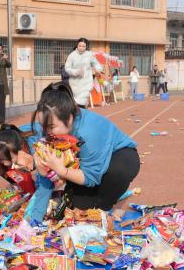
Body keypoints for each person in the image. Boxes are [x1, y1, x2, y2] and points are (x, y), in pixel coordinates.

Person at [32, 82, 139, 212]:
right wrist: (39, 162)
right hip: (88, 161)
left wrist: (62, 171)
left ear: (69, 118)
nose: (45, 131)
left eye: (50, 127)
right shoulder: (50, 123)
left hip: (119, 157)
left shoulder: (88, 133)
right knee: (75, 205)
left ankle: (105, 202)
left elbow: (91, 177)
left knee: (93, 209)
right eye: (42, 125)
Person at [0, 124, 54, 223]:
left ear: (21, 148)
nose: (6, 163)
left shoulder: (36, 146)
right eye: (2, 160)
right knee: (27, 186)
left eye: (9, 159)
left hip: (45, 148)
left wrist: (35, 218)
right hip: (23, 157)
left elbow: (46, 182)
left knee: (45, 181)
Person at [64, 38, 102, 108]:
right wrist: (76, 72)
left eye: (83, 46)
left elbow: (96, 63)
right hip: (75, 83)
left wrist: (98, 69)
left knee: (82, 100)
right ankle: (80, 111)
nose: (81, 48)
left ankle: (81, 110)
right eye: (80, 46)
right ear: (77, 45)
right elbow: (67, 68)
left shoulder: (89, 55)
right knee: (77, 102)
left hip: (87, 82)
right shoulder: (72, 55)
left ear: (86, 47)